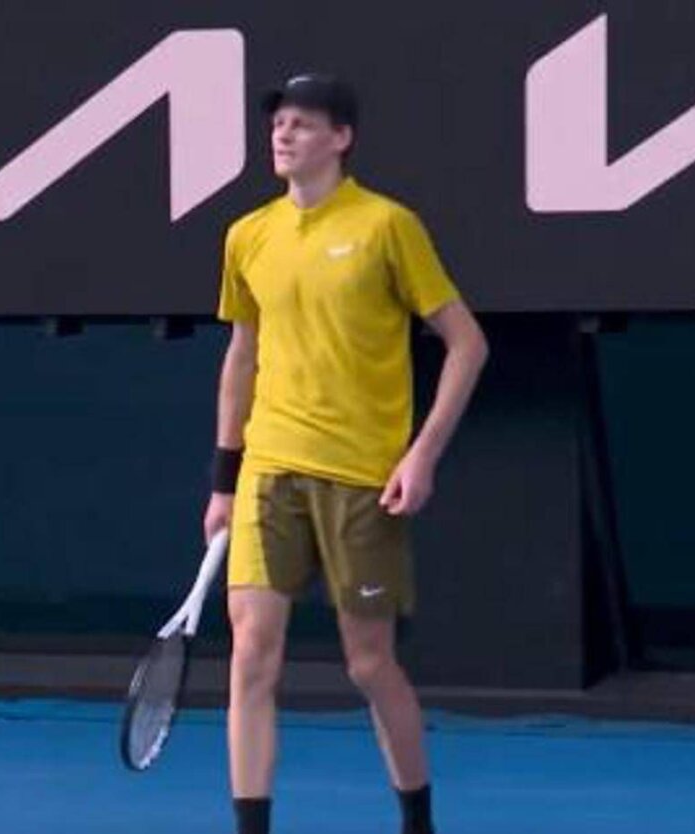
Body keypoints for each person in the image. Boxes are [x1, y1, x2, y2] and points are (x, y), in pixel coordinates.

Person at [203, 72, 489, 834]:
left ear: (341, 138)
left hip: (362, 477)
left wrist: (422, 455)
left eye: (301, 123)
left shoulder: (387, 226)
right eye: (278, 123)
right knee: (251, 652)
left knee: (369, 664)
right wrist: (225, 480)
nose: (283, 134)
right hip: (268, 471)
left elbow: (467, 343)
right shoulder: (248, 236)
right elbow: (242, 357)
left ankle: (417, 821)